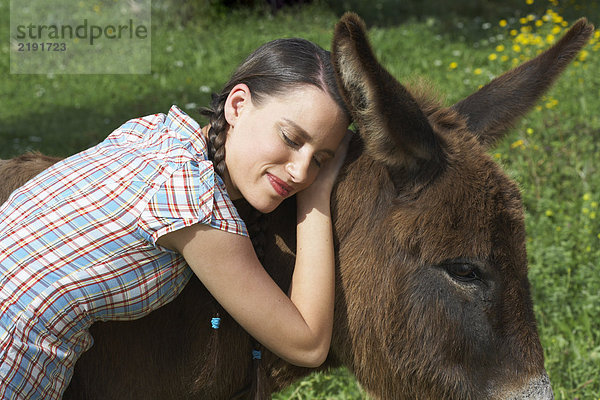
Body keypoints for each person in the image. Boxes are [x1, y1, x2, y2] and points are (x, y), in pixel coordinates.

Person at [0, 37, 351, 399]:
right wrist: (317, 196)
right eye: (291, 138)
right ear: (238, 105)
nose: (300, 171)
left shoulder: (156, 132)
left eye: (320, 161)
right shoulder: (197, 209)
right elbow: (308, 344)